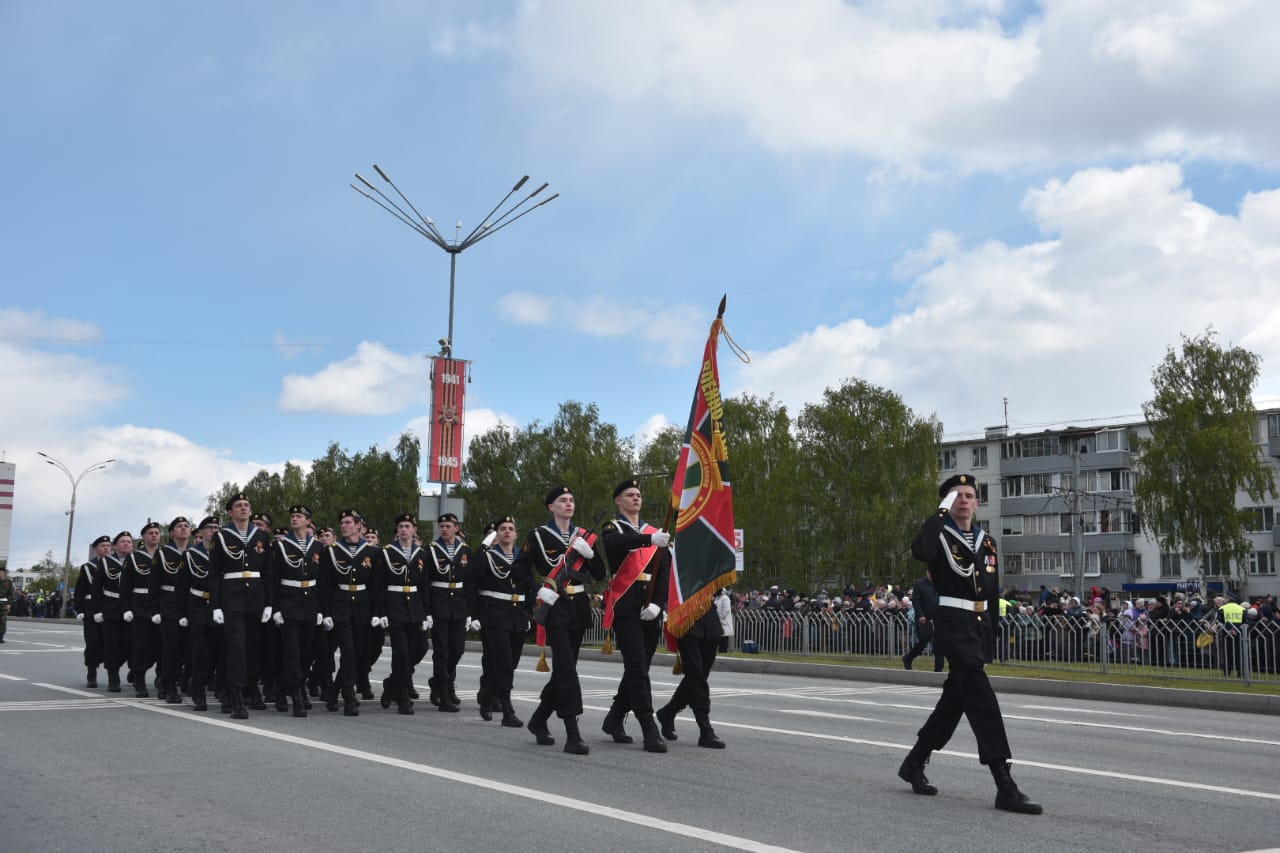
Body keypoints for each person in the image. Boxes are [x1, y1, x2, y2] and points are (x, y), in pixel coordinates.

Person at [897, 474, 1042, 814]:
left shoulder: (986, 542)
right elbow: (920, 551)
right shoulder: (939, 534)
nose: (963, 499)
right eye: (956, 495)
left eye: (969, 495)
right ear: (947, 502)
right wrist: (940, 512)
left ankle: (914, 763)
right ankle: (1004, 784)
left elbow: (990, 591)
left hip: (977, 627)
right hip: (953, 625)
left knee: (955, 701)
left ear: (977, 502)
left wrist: (991, 635)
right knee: (982, 701)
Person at [514, 485, 605, 754]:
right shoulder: (539, 536)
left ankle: (539, 719)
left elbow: (599, 574)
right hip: (555, 607)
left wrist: (590, 555)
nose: (569, 504)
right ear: (551, 507)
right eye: (563, 500)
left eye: (571, 500)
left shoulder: (584, 536)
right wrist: (537, 589)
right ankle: (572, 734)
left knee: (565, 669)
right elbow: (519, 569)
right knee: (566, 669)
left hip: (579, 607)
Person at [599, 478, 672, 753]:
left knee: (638, 668)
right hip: (626, 604)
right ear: (618, 501)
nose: (636, 498)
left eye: (638, 494)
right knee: (638, 666)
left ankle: (615, 717)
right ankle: (649, 727)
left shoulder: (655, 532)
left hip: (649, 606)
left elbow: (664, 572)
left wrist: (659, 604)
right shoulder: (614, 527)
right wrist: (649, 540)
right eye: (630, 495)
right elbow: (615, 545)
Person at [209, 493, 273, 719]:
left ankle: (250, 688)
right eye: (239, 505)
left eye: (247, 505)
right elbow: (214, 573)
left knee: (253, 647)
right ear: (230, 512)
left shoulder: (262, 536)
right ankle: (235, 695)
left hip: (255, 597)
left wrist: (269, 603)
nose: (244, 508)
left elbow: (268, 572)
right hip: (232, 597)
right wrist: (216, 605)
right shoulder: (221, 536)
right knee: (236, 647)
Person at [471, 515, 534, 728]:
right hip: (495, 614)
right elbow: (472, 578)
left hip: (518, 615)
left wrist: (529, 614)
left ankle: (487, 694)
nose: (507, 531)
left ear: (516, 534)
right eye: (503, 528)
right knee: (503, 661)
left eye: (510, 528)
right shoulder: (487, 556)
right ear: (496, 535)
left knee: (510, 662)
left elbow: (528, 586)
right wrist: (485, 544)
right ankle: (507, 710)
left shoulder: (522, 557)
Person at [656, 587, 733, 750]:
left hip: (709, 617)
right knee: (696, 677)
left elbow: (718, 588)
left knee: (698, 676)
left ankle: (668, 712)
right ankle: (705, 729)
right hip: (687, 615)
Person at [319, 509, 377, 716]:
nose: (343, 526)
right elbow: (325, 584)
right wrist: (326, 612)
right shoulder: (331, 551)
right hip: (340, 605)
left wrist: (376, 612)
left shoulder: (371, 551)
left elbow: (375, 585)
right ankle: (349, 696)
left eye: (348, 522)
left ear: (358, 526)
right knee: (348, 651)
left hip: (362, 605)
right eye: (342, 523)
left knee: (359, 653)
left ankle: (334, 690)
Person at [270, 505, 323, 717]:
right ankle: (297, 696)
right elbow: (273, 579)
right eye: (292, 516)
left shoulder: (318, 547)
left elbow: (323, 581)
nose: (294, 519)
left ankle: (284, 688)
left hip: (310, 604)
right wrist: (275, 608)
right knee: (292, 653)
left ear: (308, 521)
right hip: (288, 603)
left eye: (299, 516)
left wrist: (321, 609)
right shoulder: (281, 546)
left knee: (307, 653)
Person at [376, 513, 430, 715]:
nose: (404, 530)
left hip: (414, 608)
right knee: (401, 653)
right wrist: (381, 611)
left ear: (414, 530)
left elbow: (424, 586)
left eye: (407, 526)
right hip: (395, 606)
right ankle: (403, 697)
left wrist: (426, 613)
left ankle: (391, 684)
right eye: (401, 526)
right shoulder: (386, 553)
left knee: (420, 648)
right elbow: (379, 585)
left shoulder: (421, 554)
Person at [426, 512, 472, 712]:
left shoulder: (465, 550)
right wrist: (427, 611)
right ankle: (444, 693)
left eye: (448, 526)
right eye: (441, 526)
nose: (444, 529)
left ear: (457, 528)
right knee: (442, 651)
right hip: (439, 604)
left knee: (457, 650)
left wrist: (470, 611)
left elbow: (469, 582)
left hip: (459, 605)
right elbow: (425, 582)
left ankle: (441, 681)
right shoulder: (431, 550)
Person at [185, 516, 222, 712]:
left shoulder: (224, 552)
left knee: (217, 651)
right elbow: (182, 585)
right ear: (200, 532)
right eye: (209, 527)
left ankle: (213, 684)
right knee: (200, 652)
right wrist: (183, 612)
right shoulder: (191, 555)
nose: (213, 530)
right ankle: (198, 692)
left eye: (216, 527)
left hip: (218, 607)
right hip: (198, 605)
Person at [123, 521, 163, 698]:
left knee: (160, 645)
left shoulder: (165, 555)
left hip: (161, 605)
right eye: (150, 533)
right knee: (141, 644)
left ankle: (159, 676)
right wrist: (126, 608)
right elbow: (125, 585)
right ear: (144, 537)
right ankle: (139, 679)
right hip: (140, 605)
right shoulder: (134, 557)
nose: (154, 535)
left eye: (157, 533)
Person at [155, 517, 192, 704]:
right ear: (172, 532)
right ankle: (168, 684)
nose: (183, 529)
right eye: (179, 526)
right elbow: (153, 583)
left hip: (190, 603)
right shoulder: (163, 553)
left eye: (186, 526)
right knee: (171, 646)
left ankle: (183, 679)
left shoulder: (194, 552)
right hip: (168, 603)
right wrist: (155, 608)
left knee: (187, 646)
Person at [91, 532, 134, 692]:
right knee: (112, 645)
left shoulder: (136, 560)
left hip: (131, 608)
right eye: (122, 541)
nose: (126, 544)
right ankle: (113, 677)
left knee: (130, 643)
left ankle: (134, 668)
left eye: (129, 541)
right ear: (115, 546)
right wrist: (97, 610)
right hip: (111, 607)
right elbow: (96, 587)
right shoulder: (106, 562)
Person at [74, 535, 112, 685]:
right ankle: (92, 672)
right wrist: (79, 609)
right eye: (103, 546)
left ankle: (113, 675)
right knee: (93, 642)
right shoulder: (88, 567)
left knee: (111, 643)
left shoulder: (115, 565)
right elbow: (80, 591)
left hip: (110, 607)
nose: (106, 548)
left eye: (108, 546)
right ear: (96, 549)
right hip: (91, 609)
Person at [902, 571, 943, 672]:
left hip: (937, 617)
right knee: (924, 641)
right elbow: (916, 601)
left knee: (939, 642)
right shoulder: (919, 583)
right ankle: (908, 658)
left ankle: (939, 668)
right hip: (924, 618)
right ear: (927, 572)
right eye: (930, 572)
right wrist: (921, 615)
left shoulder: (940, 583)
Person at [0, 565, 14, 644]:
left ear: (4, 573)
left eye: (1, 572)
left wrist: (9, 604)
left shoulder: (8, 582)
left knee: (3, 621)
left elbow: (10, 594)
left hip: (3, 604)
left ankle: (1, 637)